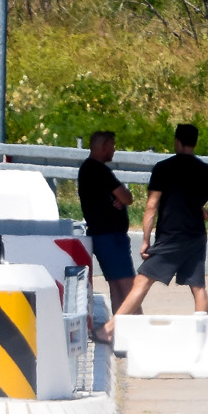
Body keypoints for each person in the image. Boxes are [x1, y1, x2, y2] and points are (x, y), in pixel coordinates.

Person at [98, 124, 208, 340]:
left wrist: (145, 240)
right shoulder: (207, 170)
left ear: (177, 142)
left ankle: (109, 330)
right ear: (194, 142)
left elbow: (151, 206)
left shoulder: (163, 168)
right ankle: (201, 337)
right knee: (198, 287)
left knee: (142, 282)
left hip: (171, 235)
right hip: (196, 236)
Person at [76, 131, 135, 310]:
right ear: (103, 147)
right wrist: (120, 197)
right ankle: (139, 327)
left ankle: (118, 330)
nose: (114, 151)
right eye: (112, 147)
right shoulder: (100, 170)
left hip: (100, 234)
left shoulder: (86, 169)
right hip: (111, 236)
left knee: (116, 286)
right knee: (129, 288)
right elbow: (127, 197)